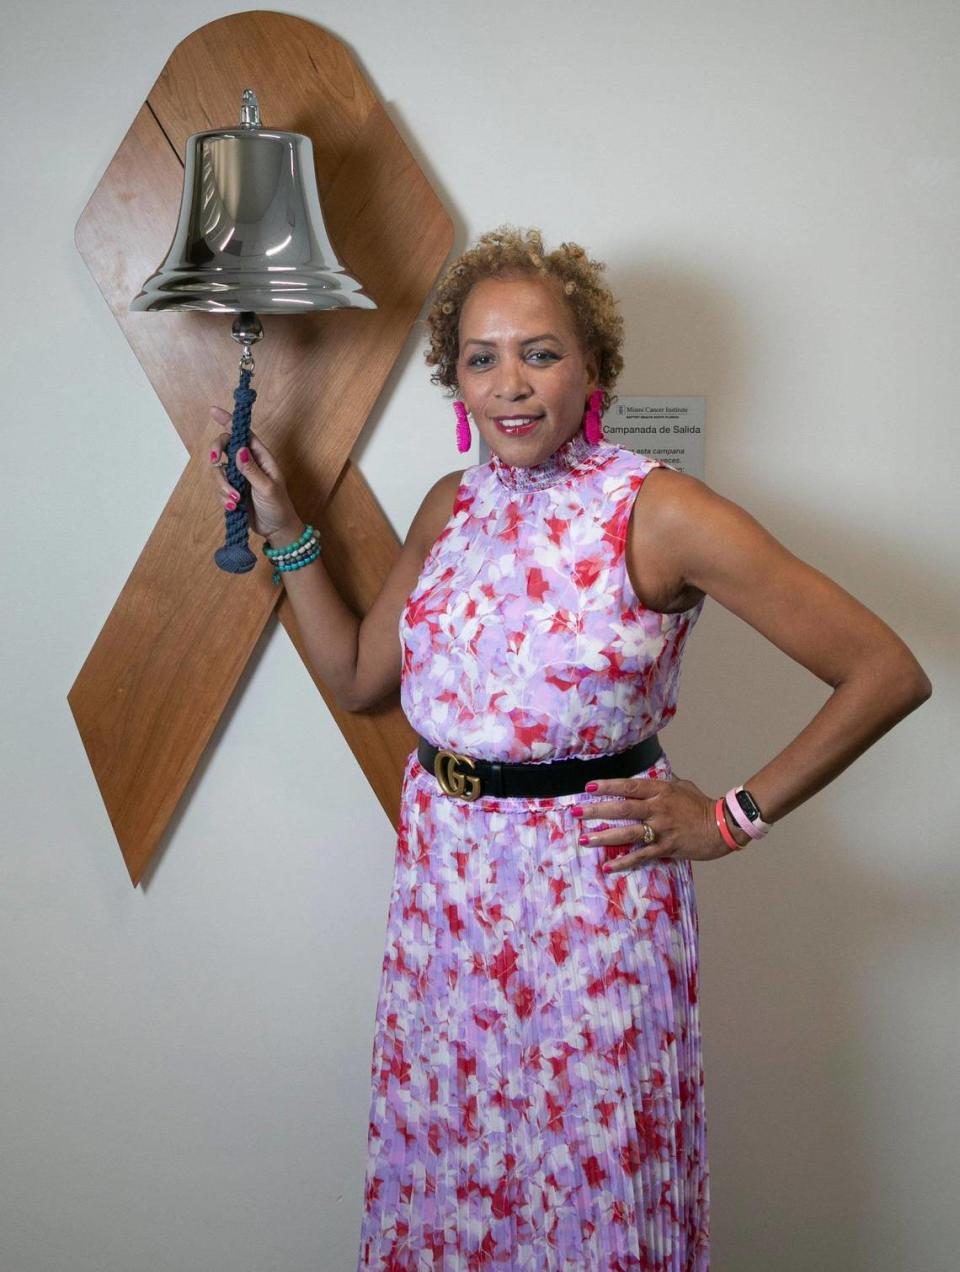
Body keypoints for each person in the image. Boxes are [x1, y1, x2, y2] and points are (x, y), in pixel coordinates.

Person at [206, 226, 932, 1270]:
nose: (513, 384)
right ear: (454, 377)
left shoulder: (660, 511)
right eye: (483, 356)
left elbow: (883, 670)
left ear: (593, 365)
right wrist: (282, 525)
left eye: (541, 353)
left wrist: (731, 818)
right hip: (446, 917)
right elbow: (360, 677)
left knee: (592, 1201)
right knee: (458, 1190)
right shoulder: (448, 509)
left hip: (592, 922)